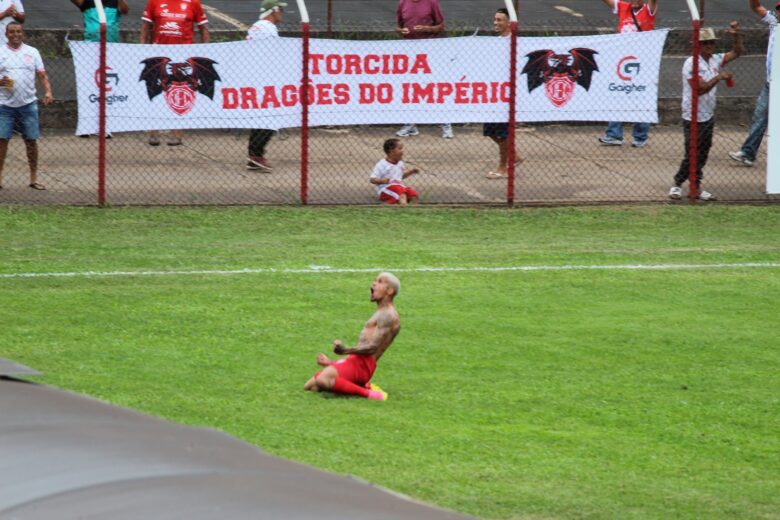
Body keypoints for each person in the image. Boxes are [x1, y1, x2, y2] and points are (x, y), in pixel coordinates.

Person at [669, 24, 742, 201]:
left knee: (703, 152)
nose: (709, 46)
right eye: (705, 43)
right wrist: (719, 77)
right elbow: (699, 89)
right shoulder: (691, 63)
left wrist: (736, 36)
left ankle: (696, 186)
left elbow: (737, 52)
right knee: (692, 152)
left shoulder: (715, 59)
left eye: (711, 42)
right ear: (697, 44)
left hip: (708, 114)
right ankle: (678, 183)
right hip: (692, 115)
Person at [304, 273, 402, 401]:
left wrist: (344, 350)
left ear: (389, 290)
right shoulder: (381, 312)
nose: (373, 283)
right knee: (310, 386)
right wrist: (332, 363)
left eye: (379, 281)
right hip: (356, 361)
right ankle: (363, 385)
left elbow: (372, 348)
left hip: (363, 366)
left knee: (323, 379)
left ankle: (370, 394)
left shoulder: (388, 315)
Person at [141, 0, 209, 146]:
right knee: (156, 90)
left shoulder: (193, 3)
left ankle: (176, 133)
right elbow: (146, 27)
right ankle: (154, 132)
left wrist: (206, 51)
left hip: (183, 54)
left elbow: (203, 28)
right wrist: (142, 49)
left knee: (180, 90)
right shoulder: (154, 2)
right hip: (158, 53)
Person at [0, 23, 53, 191]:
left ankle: (33, 178)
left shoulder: (32, 52)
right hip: (5, 105)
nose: (16, 34)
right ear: (6, 34)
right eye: (12, 32)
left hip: (28, 104)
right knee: (2, 142)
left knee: (31, 141)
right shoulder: (1, 52)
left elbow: (42, 75)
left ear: (22, 33)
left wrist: (48, 92)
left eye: (18, 31)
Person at [598, 0, 658, 147]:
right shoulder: (624, 8)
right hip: (623, 61)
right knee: (617, 94)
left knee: (641, 97)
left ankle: (640, 136)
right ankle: (614, 134)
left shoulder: (648, 10)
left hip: (643, 62)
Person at [728, 0, 778, 167]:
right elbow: (756, 6)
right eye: (778, 9)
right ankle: (748, 153)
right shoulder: (773, 21)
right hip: (771, 82)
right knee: (759, 116)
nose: (779, 12)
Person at [395, 0, 453, 139]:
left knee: (435, 87)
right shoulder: (403, 3)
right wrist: (402, 31)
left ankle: (446, 125)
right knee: (410, 88)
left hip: (430, 52)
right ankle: (411, 125)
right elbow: (398, 27)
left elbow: (441, 26)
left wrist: (427, 29)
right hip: (410, 53)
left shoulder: (431, 2)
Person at [245, 0, 286, 172]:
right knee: (270, 118)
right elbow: (273, 52)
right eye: (280, 10)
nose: (282, 14)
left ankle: (254, 154)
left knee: (262, 117)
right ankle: (256, 154)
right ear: (273, 11)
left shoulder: (256, 26)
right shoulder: (269, 28)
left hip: (256, 75)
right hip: (265, 77)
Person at [483, 8, 523, 179]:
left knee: (502, 132)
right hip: (494, 93)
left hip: (507, 96)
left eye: (499, 20)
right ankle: (514, 155)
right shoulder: (495, 42)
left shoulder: (514, 42)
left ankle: (503, 167)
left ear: (509, 23)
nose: (496, 23)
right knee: (490, 131)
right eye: (495, 19)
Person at [370, 138, 420, 205]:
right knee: (401, 194)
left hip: (399, 187)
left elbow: (399, 177)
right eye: (400, 148)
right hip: (385, 189)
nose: (403, 151)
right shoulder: (382, 164)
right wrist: (383, 181)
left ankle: (412, 211)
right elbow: (372, 179)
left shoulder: (400, 163)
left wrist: (411, 172)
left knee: (413, 194)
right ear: (391, 151)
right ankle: (402, 209)